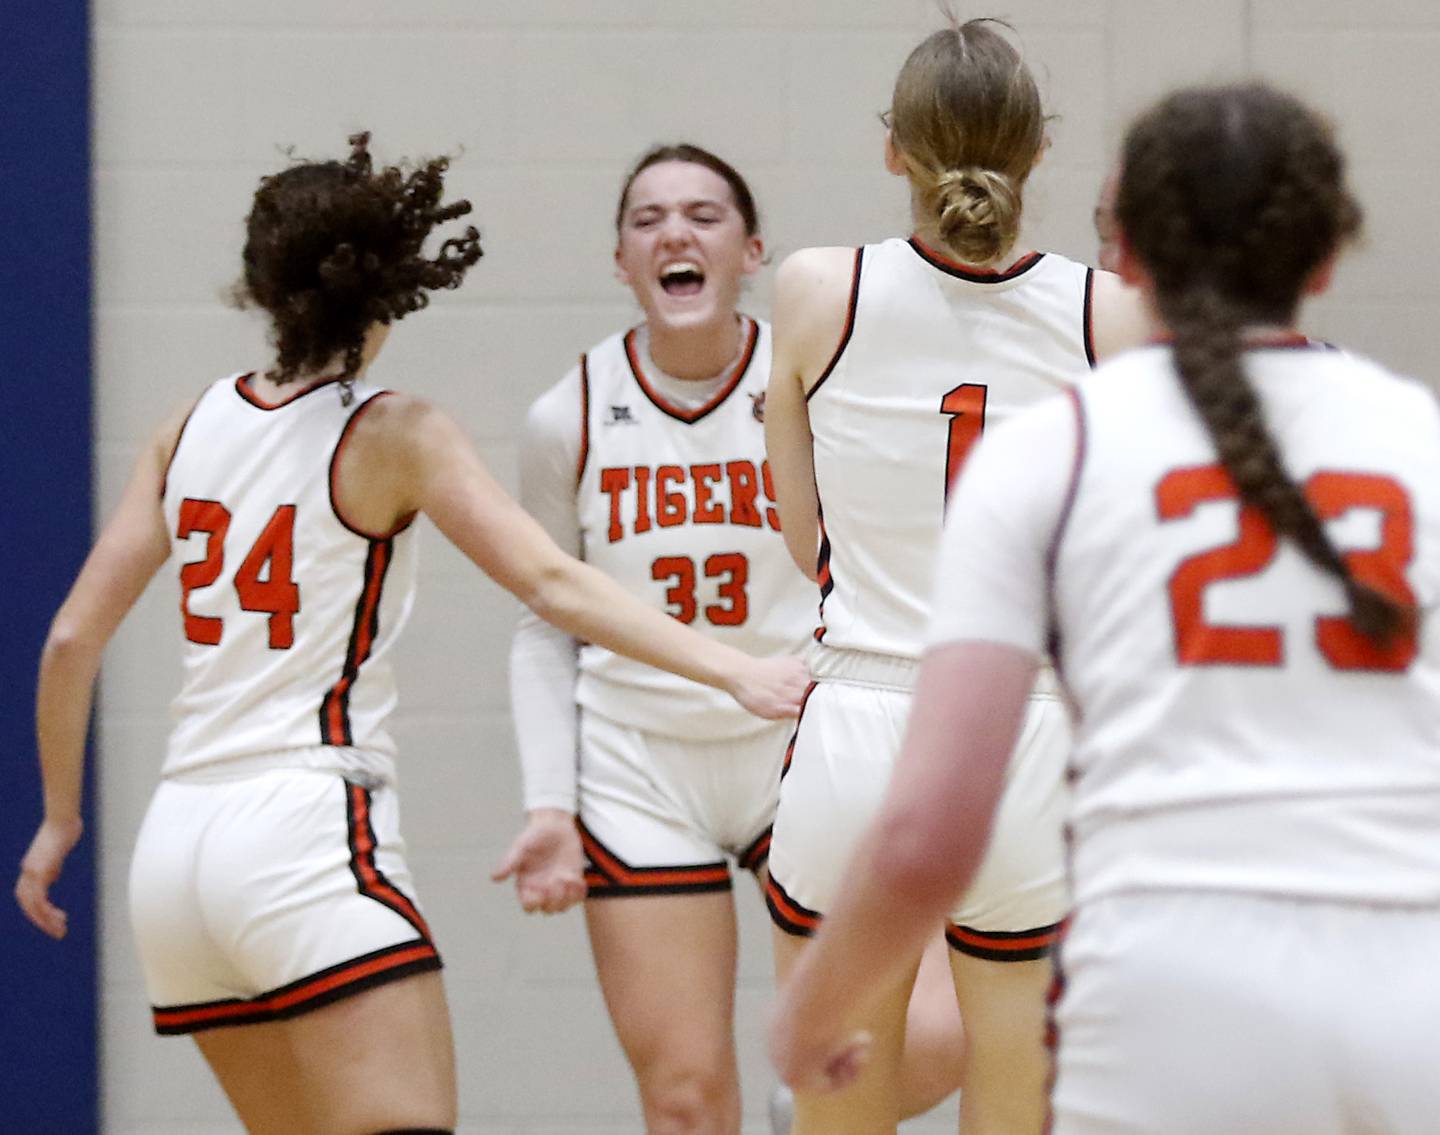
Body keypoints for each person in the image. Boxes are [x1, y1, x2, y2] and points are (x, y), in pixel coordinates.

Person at [13, 133, 807, 1135]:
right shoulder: (394, 430)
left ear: (262, 284)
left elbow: (72, 639)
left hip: (172, 863)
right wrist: (733, 668)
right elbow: (556, 584)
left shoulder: (186, 425)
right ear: (391, 282)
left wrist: (56, 820)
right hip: (301, 832)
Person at [770, 81, 1440, 1135]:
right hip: (1389, 948)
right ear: (1325, 259)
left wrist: (806, 1007)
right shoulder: (1410, 432)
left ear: (1127, 245)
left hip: (961, 776)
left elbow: (926, 807)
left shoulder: (1059, 444)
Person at [492, 143, 965, 1135]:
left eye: (705, 215)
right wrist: (548, 799)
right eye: (648, 217)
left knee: (920, 1037)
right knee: (684, 1099)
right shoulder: (566, 415)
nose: (675, 231)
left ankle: (803, 1112)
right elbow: (544, 622)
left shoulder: (812, 389)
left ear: (752, 251)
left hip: (799, 739)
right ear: (620, 259)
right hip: (640, 761)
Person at [762, 18, 1147, 1135]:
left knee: (836, 1113)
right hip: (1019, 729)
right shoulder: (1108, 312)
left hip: (863, 714)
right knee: (1021, 1103)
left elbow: (803, 536)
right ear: (1039, 152)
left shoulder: (812, 290)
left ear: (896, 151)